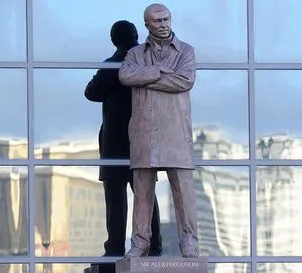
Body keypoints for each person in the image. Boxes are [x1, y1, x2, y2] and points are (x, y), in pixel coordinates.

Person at [118, 4, 198, 258]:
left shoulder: (186, 51)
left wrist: (146, 78)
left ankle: (189, 242)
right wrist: (157, 70)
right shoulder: (134, 54)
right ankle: (140, 243)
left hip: (175, 130)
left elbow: (184, 81)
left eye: (166, 19)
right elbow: (125, 77)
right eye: (157, 21)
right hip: (144, 131)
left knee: (183, 191)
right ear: (147, 25)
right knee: (142, 191)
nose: (163, 24)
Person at [84, 20, 163, 268]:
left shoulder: (113, 65)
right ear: (136, 35)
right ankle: (154, 245)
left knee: (115, 197)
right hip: (142, 138)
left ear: (113, 40)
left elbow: (91, 92)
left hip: (115, 142)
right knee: (146, 196)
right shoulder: (147, 63)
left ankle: (115, 247)